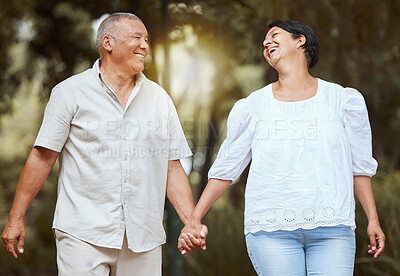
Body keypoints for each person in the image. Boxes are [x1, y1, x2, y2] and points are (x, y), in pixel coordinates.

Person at [1, 12, 206, 275]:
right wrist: (16, 218)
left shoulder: (159, 100)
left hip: (143, 237)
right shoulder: (69, 93)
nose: (145, 45)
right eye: (136, 37)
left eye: (146, 39)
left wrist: (191, 222)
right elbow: (42, 157)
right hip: (83, 234)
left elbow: (172, 167)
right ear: (108, 43)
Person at [178, 20, 385, 275]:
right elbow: (227, 167)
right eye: (264, 41)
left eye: (274, 35)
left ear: (301, 40)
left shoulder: (343, 101)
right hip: (270, 231)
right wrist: (195, 219)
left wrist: (372, 219)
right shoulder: (253, 106)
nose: (266, 43)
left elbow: (359, 165)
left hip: (333, 230)